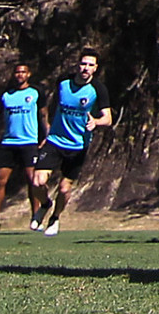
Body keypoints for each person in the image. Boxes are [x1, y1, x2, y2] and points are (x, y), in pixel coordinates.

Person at [29, 49, 112, 236]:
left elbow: (108, 119)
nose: (86, 68)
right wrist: (48, 127)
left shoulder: (98, 89)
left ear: (96, 68)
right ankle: (45, 204)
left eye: (90, 65)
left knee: (64, 189)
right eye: (83, 64)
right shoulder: (63, 82)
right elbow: (54, 104)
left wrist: (96, 122)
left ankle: (55, 218)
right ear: (78, 65)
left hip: (77, 146)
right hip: (55, 141)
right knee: (37, 182)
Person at [0, 60, 44, 233]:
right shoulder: (6, 95)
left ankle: (37, 219)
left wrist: (47, 137)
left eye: (23, 72)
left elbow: (44, 116)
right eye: (17, 72)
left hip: (29, 142)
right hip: (9, 143)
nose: (20, 75)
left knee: (33, 181)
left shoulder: (36, 93)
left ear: (29, 75)